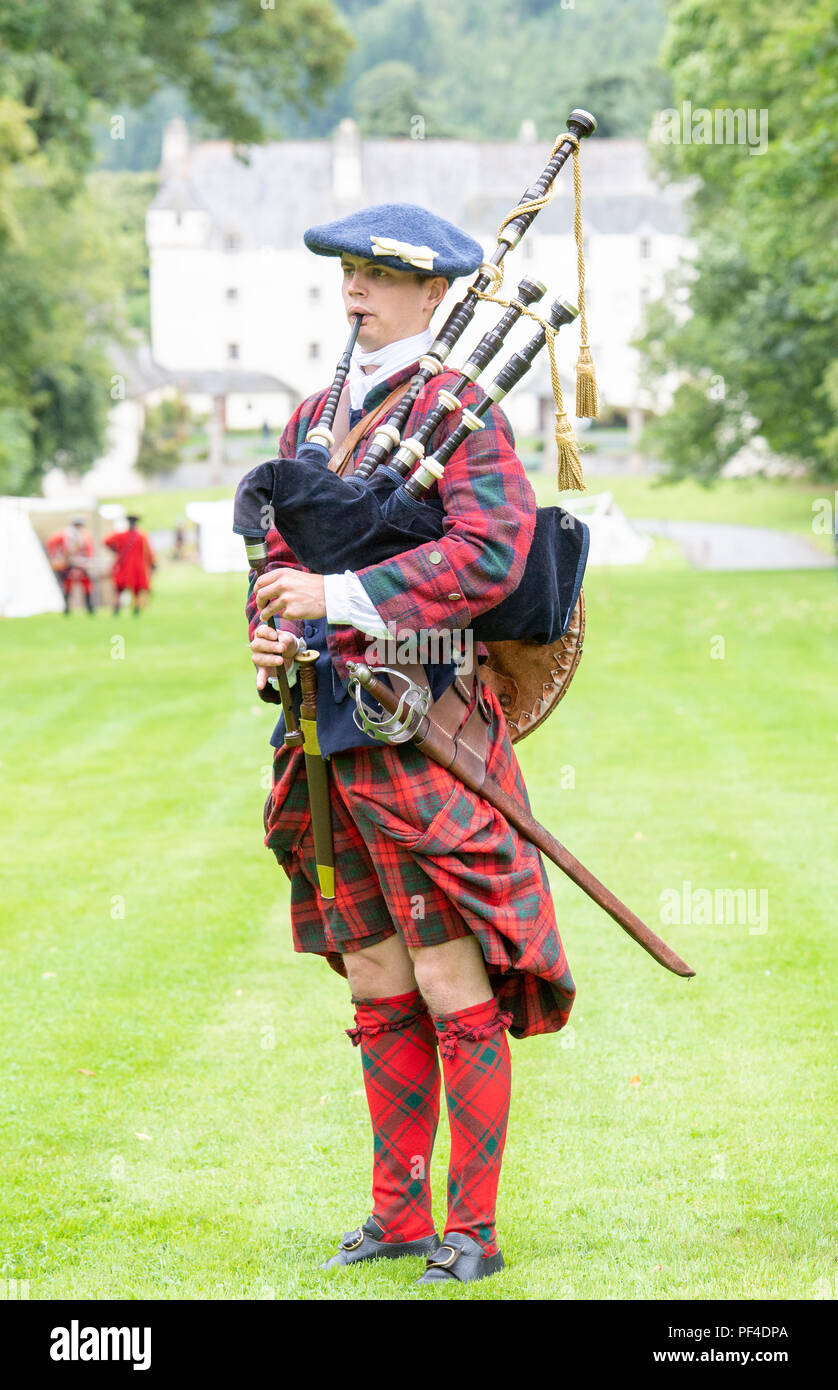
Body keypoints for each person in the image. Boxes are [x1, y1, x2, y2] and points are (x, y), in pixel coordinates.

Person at [246, 204, 575, 1285]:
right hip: (326, 728)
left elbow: (489, 554)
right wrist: (276, 616)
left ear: (434, 294)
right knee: (376, 979)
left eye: (379, 277)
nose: (355, 293)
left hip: (424, 724)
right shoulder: (312, 416)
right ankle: (396, 1216)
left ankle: (469, 1230)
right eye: (347, 273)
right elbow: (283, 552)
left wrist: (342, 590)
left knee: (446, 975)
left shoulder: (464, 413)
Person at [104, 514, 155, 615]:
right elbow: (149, 552)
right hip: (136, 566)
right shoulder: (141, 535)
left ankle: (117, 609)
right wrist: (152, 564)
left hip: (125, 566)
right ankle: (134, 609)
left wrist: (115, 550)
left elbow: (107, 541)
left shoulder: (122, 535)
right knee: (135, 589)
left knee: (120, 589)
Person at [46, 517, 96, 615]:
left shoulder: (84, 536)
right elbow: (52, 544)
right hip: (68, 563)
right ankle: (67, 608)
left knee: (86, 585)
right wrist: (57, 557)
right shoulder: (64, 535)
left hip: (81, 564)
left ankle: (89, 607)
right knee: (68, 586)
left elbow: (89, 550)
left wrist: (87, 561)